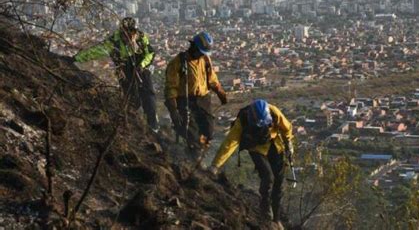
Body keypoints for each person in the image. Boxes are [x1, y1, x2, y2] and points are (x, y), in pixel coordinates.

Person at [209, 99, 294, 226]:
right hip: (256, 149)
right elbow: (229, 144)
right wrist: (215, 165)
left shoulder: (274, 112)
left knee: (279, 183)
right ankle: (265, 211)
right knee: (268, 177)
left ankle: (276, 219)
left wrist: (289, 144)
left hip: (275, 146)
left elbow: (287, 128)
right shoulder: (242, 121)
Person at [71, 17, 159, 133]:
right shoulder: (113, 42)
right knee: (132, 101)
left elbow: (150, 53)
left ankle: (154, 126)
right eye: (127, 32)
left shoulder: (141, 38)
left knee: (149, 97)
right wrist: (76, 58)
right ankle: (133, 126)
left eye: (132, 32)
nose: (130, 35)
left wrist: (142, 65)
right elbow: (95, 51)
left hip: (141, 70)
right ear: (122, 31)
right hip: (125, 72)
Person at [164, 32, 227, 162]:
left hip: (204, 99)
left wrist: (220, 92)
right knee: (191, 133)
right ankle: (193, 159)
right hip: (185, 101)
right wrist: (174, 109)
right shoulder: (178, 63)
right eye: (200, 52)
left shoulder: (205, 59)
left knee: (208, 131)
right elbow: (171, 88)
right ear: (193, 47)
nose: (201, 55)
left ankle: (199, 153)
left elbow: (212, 79)